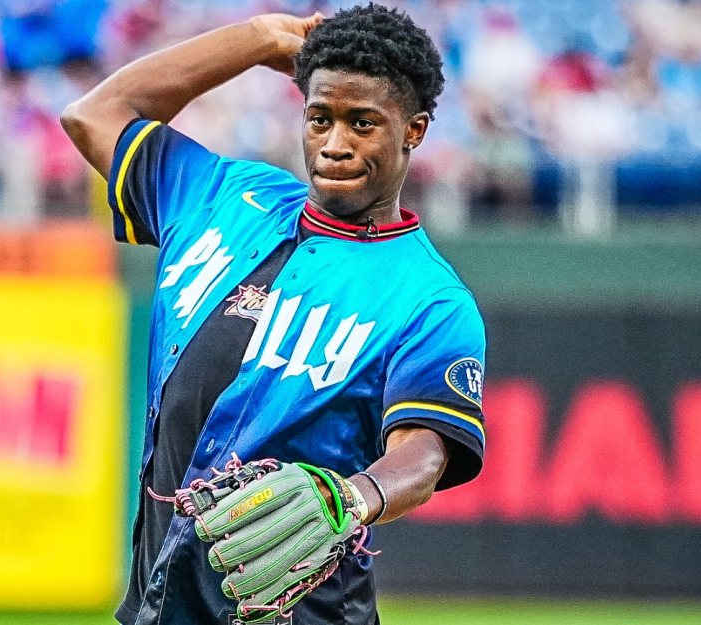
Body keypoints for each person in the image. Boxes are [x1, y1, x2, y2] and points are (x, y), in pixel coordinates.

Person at [61, 4, 486, 624]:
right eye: (321, 118)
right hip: (156, 609)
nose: (335, 144)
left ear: (414, 130)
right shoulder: (222, 197)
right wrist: (256, 39)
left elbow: (424, 455)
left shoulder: (432, 300)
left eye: (363, 123)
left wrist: (354, 497)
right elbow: (92, 114)